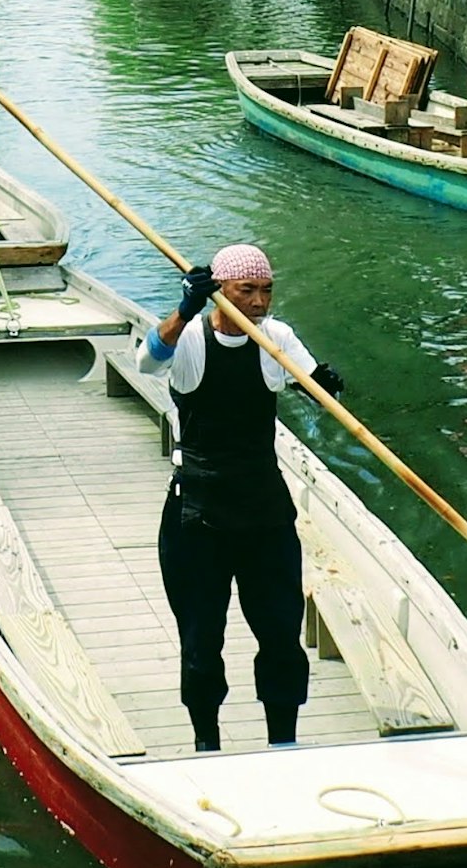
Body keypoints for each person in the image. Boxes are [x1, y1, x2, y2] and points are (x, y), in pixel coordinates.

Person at [138, 245, 345, 753]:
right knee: (202, 646)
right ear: (220, 293)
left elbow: (307, 378)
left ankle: (284, 745)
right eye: (245, 291)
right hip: (198, 516)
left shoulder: (275, 338)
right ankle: (207, 743)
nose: (258, 302)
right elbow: (147, 361)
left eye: (266, 290)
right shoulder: (189, 338)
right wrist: (184, 309)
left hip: (264, 512)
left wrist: (322, 385)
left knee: (281, 639)